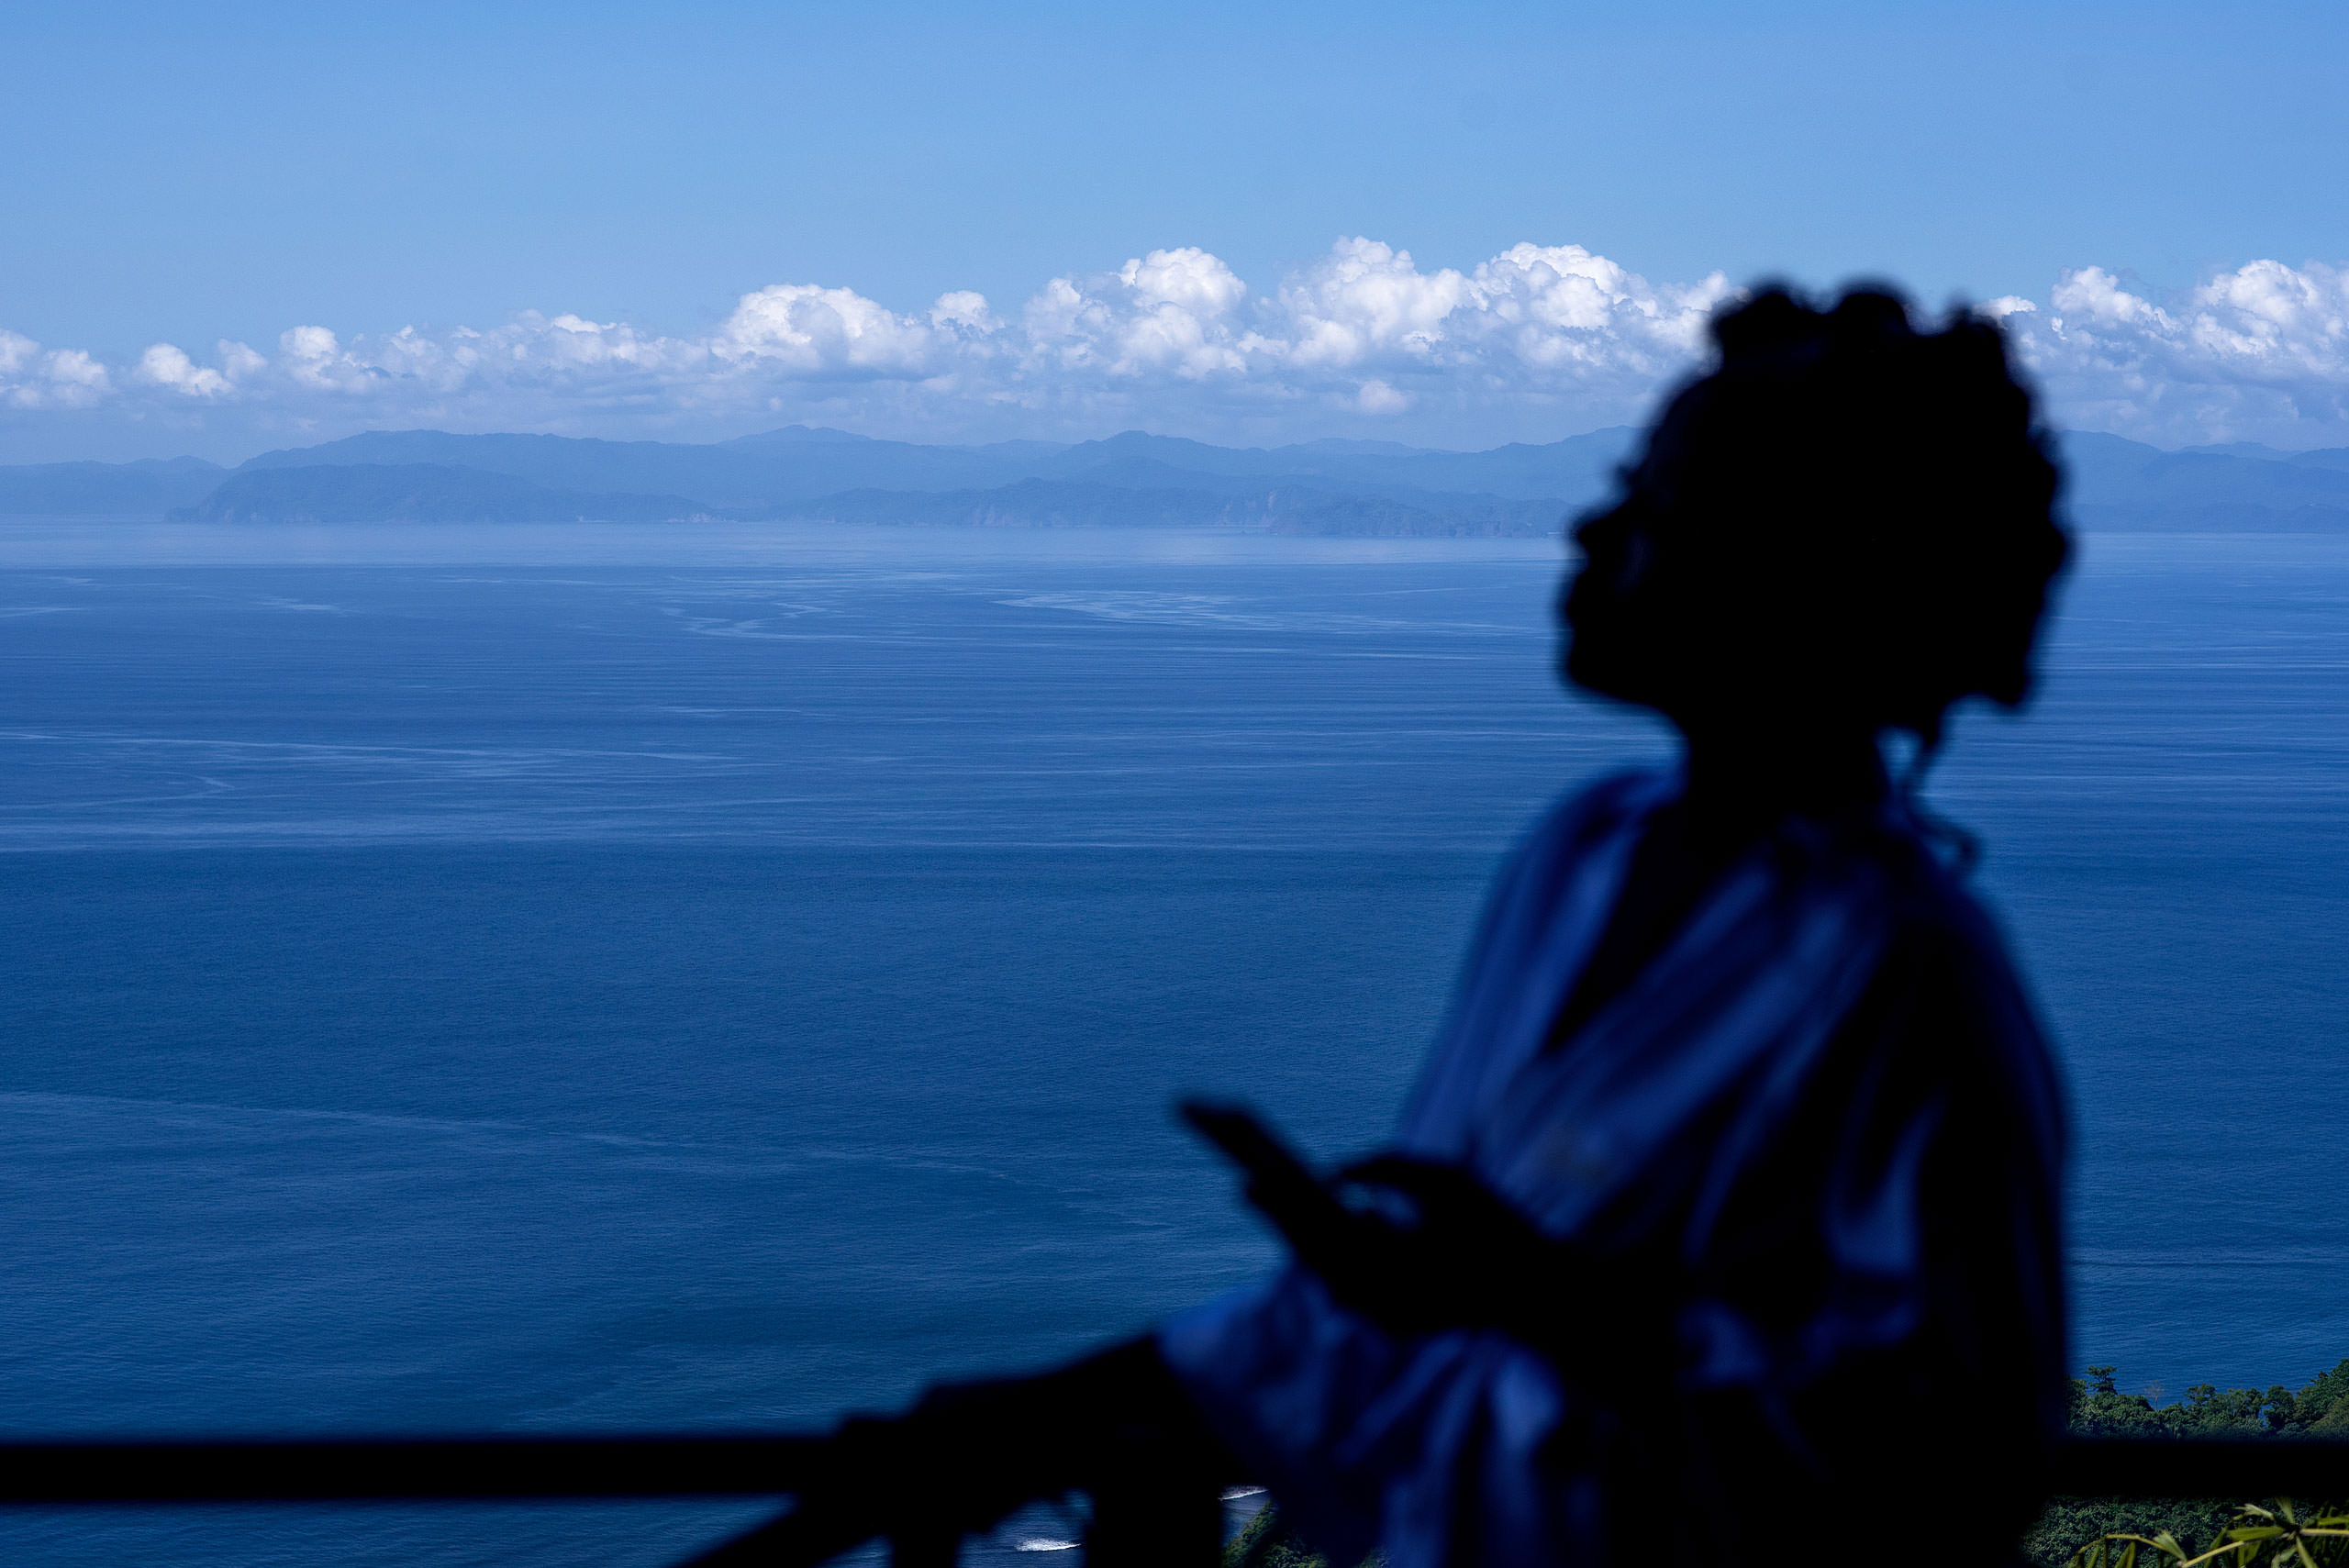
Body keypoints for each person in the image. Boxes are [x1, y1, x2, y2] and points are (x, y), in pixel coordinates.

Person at [730, 285, 2074, 1568]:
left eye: (1653, 504)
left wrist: (1532, 1296)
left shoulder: (1906, 970)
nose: (1591, 534)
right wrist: (1031, 1410)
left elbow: (1963, 1461)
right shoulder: (1584, 851)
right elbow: (1382, 1313)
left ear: (1801, 578)